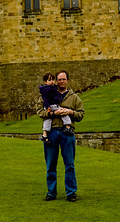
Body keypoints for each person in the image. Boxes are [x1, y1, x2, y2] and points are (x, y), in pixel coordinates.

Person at [36, 70, 84, 202]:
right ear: (56, 81)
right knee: (51, 164)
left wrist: (71, 112)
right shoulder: (47, 93)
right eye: (59, 79)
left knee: (69, 164)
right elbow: (39, 111)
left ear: (67, 80)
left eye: (64, 79)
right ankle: (51, 192)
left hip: (67, 133)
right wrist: (53, 114)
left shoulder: (74, 98)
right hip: (51, 132)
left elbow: (81, 114)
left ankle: (71, 192)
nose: (61, 81)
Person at [39, 73, 73, 144]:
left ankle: (45, 134)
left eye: (53, 80)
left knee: (48, 119)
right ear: (45, 82)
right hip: (52, 107)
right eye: (49, 80)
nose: (52, 81)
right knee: (61, 112)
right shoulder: (47, 89)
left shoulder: (73, 96)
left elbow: (80, 114)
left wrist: (71, 112)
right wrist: (49, 109)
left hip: (53, 106)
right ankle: (67, 127)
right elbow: (44, 103)